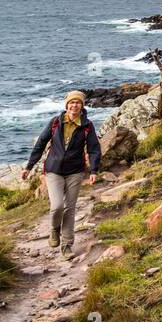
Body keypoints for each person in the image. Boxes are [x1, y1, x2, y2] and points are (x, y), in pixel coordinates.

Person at [21, 90, 100, 257]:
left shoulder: (87, 125)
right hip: (53, 170)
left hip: (75, 172)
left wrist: (94, 170)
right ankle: (54, 229)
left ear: (82, 106)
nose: (74, 105)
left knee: (70, 209)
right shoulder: (55, 122)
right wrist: (28, 166)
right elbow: (40, 144)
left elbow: (93, 149)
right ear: (66, 105)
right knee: (57, 206)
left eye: (78, 102)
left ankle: (67, 246)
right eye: (72, 102)